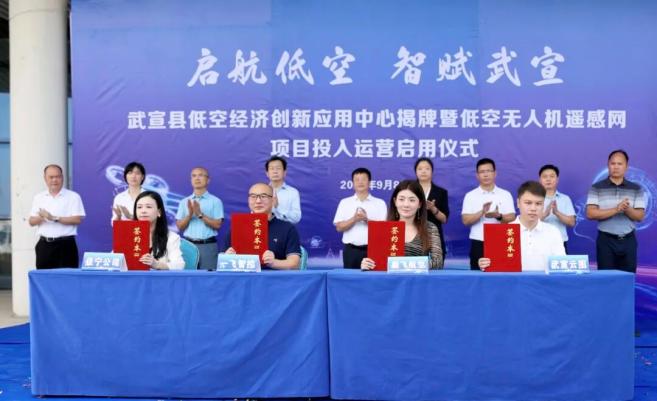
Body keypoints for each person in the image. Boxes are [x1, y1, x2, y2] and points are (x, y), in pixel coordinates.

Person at [479, 181, 565, 272]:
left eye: (538, 204)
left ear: (543, 205)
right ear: (518, 203)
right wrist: (485, 264)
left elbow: (562, 264)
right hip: (513, 281)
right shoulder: (503, 232)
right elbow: (496, 268)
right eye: (528, 203)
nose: (533, 208)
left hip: (545, 281)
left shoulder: (553, 232)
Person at [361, 180, 443, 270]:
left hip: (418, 279)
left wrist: (402, 265)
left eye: (412, 200)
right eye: (401, 199)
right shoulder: (383, 228)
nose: (406, 204)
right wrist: (367, 264)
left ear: (419, 204)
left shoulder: (429, 228)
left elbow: (438, 262)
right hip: (389, 279)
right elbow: (376, 262)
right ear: (395, 201)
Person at [586, 149, 645, 273]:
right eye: (613, 163)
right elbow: (590, 213)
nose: (616, 167)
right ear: (608, 165)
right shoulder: (596, 187)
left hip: (628, 240)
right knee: (606, 279)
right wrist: (616, 209)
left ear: (626, 167)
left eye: (620, 164)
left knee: (628, 278)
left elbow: (640, 216)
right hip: (605, 241)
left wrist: (627, 208)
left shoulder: (636, 188)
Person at [222, 183, 301, 269]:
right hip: (243, 277)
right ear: (248, 200)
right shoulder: (237, 227)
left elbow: (295, 264)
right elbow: (222, 261)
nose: (258, 201)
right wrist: (226, 258)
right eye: (253, 196)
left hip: (273, 276)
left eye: (263, 196)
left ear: (273, 200)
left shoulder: (287, 228)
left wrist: (274, 263)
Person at [461, 158, 515, 269]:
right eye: (482, 172)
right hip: (479, 241)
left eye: (489, 171)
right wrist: (482, 212)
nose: (485, 175)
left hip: (500, 241)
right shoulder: (470, 196)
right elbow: (465, 221)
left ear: (495, 173)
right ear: (477, 175)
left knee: (502, 274)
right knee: (477, 275)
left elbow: (512, 217)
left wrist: (498, 216)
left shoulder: (505, 194)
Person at [29, 164, 86, 269]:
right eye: (51, 177)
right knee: (44, 277)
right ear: (45, 178)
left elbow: (77, 219)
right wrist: (43, 217)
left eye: (58, 177)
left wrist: (54, 218)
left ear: (62, 177)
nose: (54, 180)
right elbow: (31, 221)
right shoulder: (39, 197)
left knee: (67, 277)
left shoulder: (73, 196)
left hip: (66, 245)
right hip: (44, 245)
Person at [333, 167, 388, 269]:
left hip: (374, 250)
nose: (360, 182)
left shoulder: (380, 203)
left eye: (363, 179)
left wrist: (366, 220)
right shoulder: (345, 202)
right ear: (352, 183)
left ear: (370, 183)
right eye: (357, 180)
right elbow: (339, 227)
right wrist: (354, 219)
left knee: (373, 278)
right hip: (351, 251)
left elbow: (384, 230)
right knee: (350, 278)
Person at [175, 167, 224, 269]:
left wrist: (200, 215)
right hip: (188, 246)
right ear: (191, 180)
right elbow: (180, 226)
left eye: (201, 175)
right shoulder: (184, 202)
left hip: (208, 246)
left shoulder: (215, 201)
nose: (197, 178)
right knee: (188, 276)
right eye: (194, 176)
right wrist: (189, 215)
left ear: (208, 180)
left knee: (208, 276)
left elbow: (218, 225)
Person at [133, 191, 184, 270]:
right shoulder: (127, 235)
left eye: (148, 207)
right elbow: (116, 260)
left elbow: (179, 265)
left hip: (158, 278)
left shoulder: (171, 237)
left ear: (159, 212)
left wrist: (157, 264)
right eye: (139, 207)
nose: (143, 211)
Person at [414, 157, 449, 262]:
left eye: (427, 168)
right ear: (416, 172)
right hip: (413, 237)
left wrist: (433, 209)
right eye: (420, 169)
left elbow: (444, 219)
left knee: (436, 267)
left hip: (434, 238)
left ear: (432, 172)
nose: (423, 171)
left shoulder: (441, 192)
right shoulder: (409, 190)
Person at [538, 164, 576, 252]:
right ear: (540, 180)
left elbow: (572, 222)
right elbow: (528, 222)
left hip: (560, 242)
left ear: (557, 179)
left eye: (552, 176)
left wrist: (557, 213)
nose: (548, 179)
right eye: (545, 177)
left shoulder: (565, 199)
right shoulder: (534, 198)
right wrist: (545, 214)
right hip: (539, 242)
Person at [266, 156, 301, 224]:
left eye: (278, 168)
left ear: (284, 172)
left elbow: (296, 218)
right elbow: (254, 214)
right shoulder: (261, 191)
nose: (275, 171)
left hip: (285, 229)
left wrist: (277, 208)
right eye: (272, 168)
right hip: (265, 228)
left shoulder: (293, 192)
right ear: (267, 173)